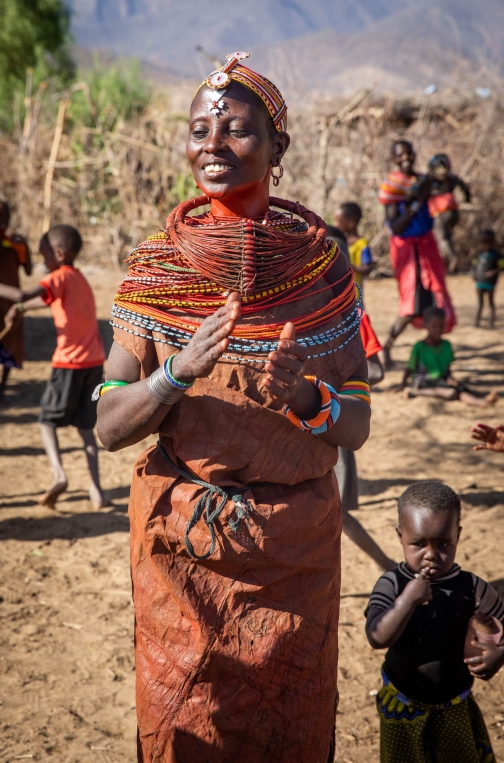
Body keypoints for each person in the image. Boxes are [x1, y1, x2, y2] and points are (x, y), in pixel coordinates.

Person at [96, 52, 371, 762]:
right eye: (199, 129)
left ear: (279, 148)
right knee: (184, 726)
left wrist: (306, 398)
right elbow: (107, 425)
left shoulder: (320, 269)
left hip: (294, 556)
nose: (212, 144)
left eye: (237, 130)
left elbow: (358, 423)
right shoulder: (158, 266)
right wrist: (176, 373)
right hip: (179, 552)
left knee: (291, 729)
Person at [366, 481, 504, 763]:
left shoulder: (472, 587)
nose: (431, 553)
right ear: (400, 535)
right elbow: (377, 637)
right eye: (418, 543)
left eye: (443, 543)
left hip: (455, 705)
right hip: (402, 706)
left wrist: (499, 654)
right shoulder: (392, 584)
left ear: (458, 535)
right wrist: (407, 600)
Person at [0, 225, 107, 508]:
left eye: (44, 253)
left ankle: (59, 475)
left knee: (47, 422)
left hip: (69, 363)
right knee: (86, 428)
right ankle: (97, 490)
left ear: (59, 254)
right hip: (94, 361)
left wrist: (16, 301)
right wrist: (22, 310)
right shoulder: (78, 278)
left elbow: (24, 295)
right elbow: (44, 300)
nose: (41, 258)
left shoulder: (58, 276)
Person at [325, 224, 395, 571]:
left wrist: (345, 382)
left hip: (336, 423)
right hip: (309, 424)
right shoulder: (299, 312)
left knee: (334, 513)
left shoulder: (353, 314)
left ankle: (388, 566)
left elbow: (377, 370)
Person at [379, 140, 456, 368]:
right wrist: (415, 205)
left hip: (427, 247)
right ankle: (387, 348)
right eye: (400, 154)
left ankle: (432, 355)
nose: (406, 158)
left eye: (409, 153)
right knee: (412, 306)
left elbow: (440, 207)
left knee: (433, 301)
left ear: (414, 154)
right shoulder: (392, 186)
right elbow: (396, 226)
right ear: (394, 158)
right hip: (408, 251)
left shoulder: (423, 181)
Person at [397, 305, 497, 407]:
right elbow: (410, 367)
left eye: (441, 326)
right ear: (425, 325)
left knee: (460, 388)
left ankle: (481, 401)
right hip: (423, 382)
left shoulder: (446, 345)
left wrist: (450, 378)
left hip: (441, 380)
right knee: (451, 393)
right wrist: (402, 385)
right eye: (434, 326)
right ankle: (414, 392)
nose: (438, 330)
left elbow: (447, 368)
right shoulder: (419, 347)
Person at [0, 200, 32, 402]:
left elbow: (28, 269)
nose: (3, 221)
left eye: (5, 217)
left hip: (10, 305)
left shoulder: (15, 244)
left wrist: (23, 246)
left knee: (10, 343)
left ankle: (2, 388)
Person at [427, 153, 471, 273]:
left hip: (440, 212)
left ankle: (452, 258)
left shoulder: (430, 181)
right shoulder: (451, 178)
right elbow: (464, 187)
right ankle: (448, 265)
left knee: (441, 237)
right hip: (453, 212)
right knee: (447, 236)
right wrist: (467, 198)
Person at [333, 202, 375, 301]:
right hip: (339, 294)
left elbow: (367, 268)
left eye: (338, 221)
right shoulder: (339, 243)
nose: (335, 225)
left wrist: (349, 266)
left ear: (351, 223)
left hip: (354, 294)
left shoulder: (361, 244)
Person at [472, 229, 504, 329]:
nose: (486, 245)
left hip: (490, 283)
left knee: (491, 303)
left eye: (488, 242)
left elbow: (502, 267)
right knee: (480, 303)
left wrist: (493, 272)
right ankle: (477, 321)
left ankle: (491, 322)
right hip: (479, 282)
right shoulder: (479, 254)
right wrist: (473, 273)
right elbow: (474, 264)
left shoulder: (497, 255)